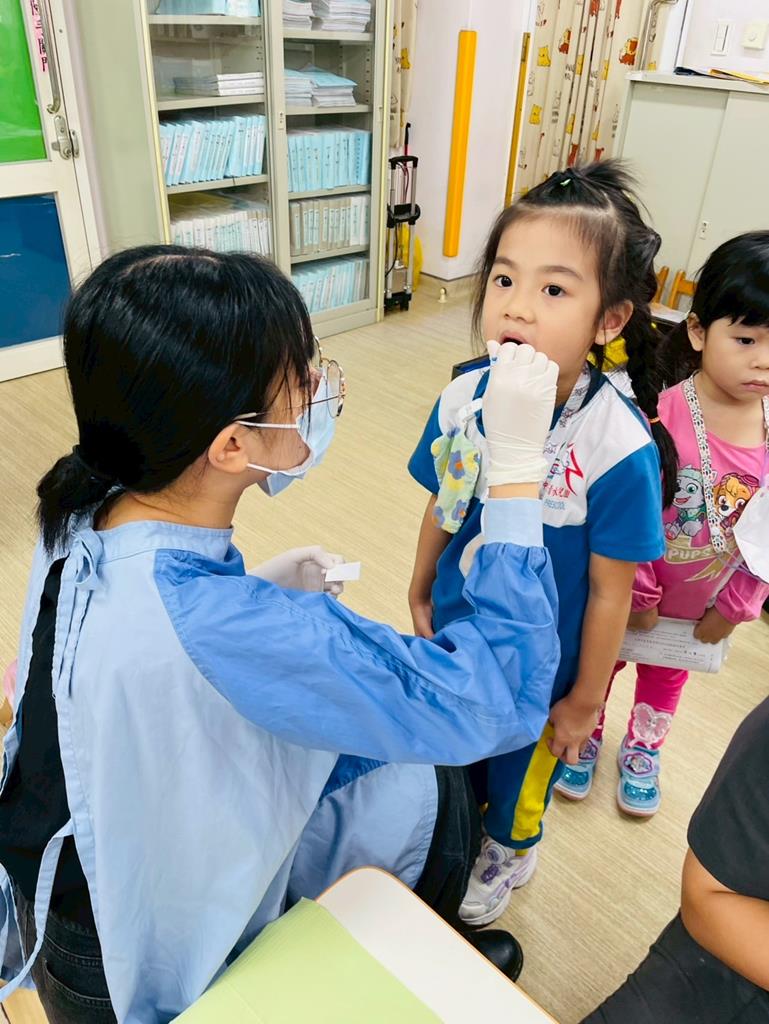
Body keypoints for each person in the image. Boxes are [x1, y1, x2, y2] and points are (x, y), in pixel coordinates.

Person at [0, 246, 562, 1023]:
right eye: (301, 375)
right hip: (124, 957)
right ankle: (432, 946)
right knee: (427, 787)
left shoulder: (81, 501)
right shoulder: (244, 629)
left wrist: (251, 588)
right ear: (231, 445)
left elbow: (119, 662)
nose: (317, 385)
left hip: (60, 886)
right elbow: (497, 698)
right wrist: (518, 470)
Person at [407, 160, 672, 927]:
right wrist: (421, 585)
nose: (516, 307)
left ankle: (507, 850)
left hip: (545, 673)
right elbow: (445, 497)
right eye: (503, 279)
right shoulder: (462, 396)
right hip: (459, 637)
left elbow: (611, 590)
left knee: (518, 780)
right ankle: (451, 834)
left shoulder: (616, 443)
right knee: (452, 754)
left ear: (608, 320)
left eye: (553, 290)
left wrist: (584, 700)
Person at [557, 231, 769, 815]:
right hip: (628, 593)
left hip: (703, 605)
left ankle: (644, 747)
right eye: (746, 339)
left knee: (666, 679)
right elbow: (629, 512)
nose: (763, 359)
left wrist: (738, 605)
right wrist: (641, 593)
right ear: (698, 332)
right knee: (602, 662)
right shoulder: (659, 416)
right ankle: (587, 730)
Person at [581, 694, 769, 1023]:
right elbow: (709, 896)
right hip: (730, 951)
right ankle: (599, 730)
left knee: (663, 681)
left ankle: (644, 742)